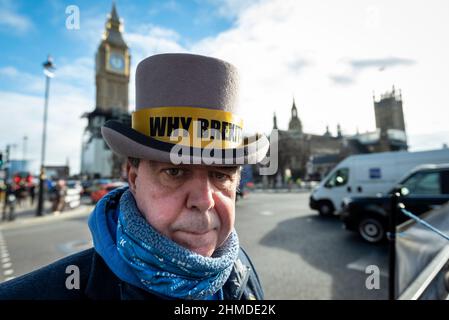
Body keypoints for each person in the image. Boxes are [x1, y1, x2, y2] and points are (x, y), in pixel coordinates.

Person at [0, 53, 269, 300]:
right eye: (174, 171)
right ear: (133, 177)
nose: (204, 200)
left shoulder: (241, 273)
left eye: (220, 175)